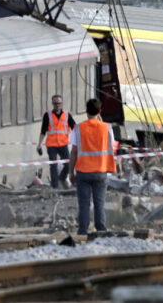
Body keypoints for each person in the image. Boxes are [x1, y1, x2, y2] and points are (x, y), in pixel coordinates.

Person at [69, 99, 117, 235]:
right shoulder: (107, 128)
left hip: (83, 172)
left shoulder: (78, 128)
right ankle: (101, 231)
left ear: (86, 111)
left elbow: (73, 152)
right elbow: (111, 145)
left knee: (84, 204)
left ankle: (82, 232)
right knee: (99, 205)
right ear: (100, 111)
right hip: (101, 171)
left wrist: (70, 173)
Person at [36, 95, 76, 189]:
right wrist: (39, 144)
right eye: (55, 103)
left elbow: (75, 128)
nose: (57, 105)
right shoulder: (48, 115)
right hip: (51, 145)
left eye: (59, 103)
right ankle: (55, 187)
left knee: (68, 164)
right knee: (53, 166)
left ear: (61, 104)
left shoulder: (67, 115)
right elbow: (43, 131)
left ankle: (61, 178)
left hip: (63, 144)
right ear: (52, 104)